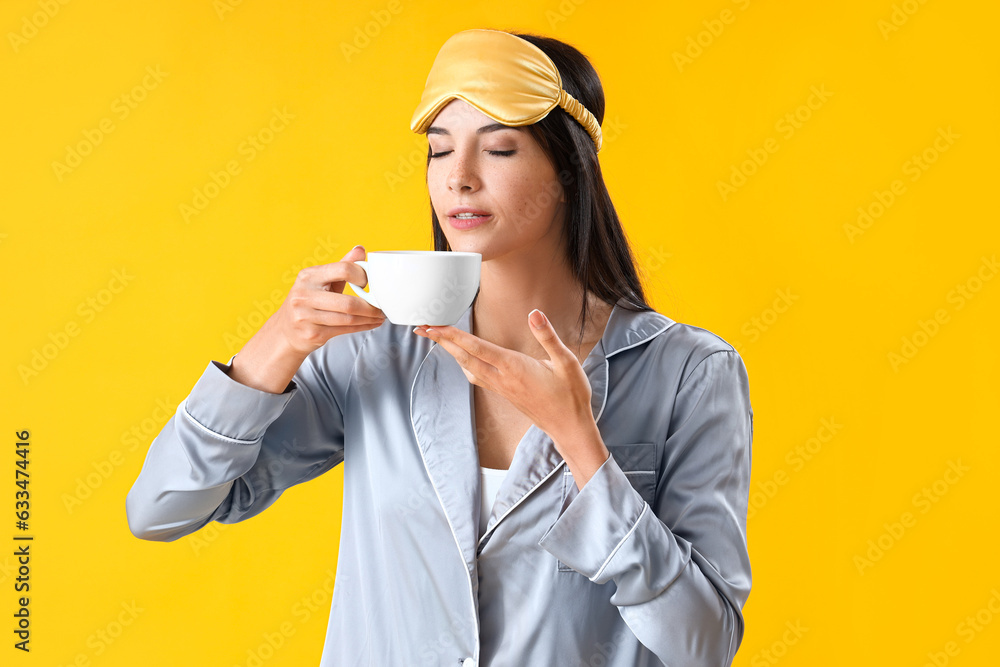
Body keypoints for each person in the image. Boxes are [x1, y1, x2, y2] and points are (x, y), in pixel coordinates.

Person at [126, 28, 754, 667]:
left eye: (500, 150)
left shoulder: (690, 374)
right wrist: (274, 347)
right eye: (439, 150)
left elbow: (702, 645)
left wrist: (581, 445)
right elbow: (160, 508)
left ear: (569, 173)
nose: (459, 179)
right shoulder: (375, 351)